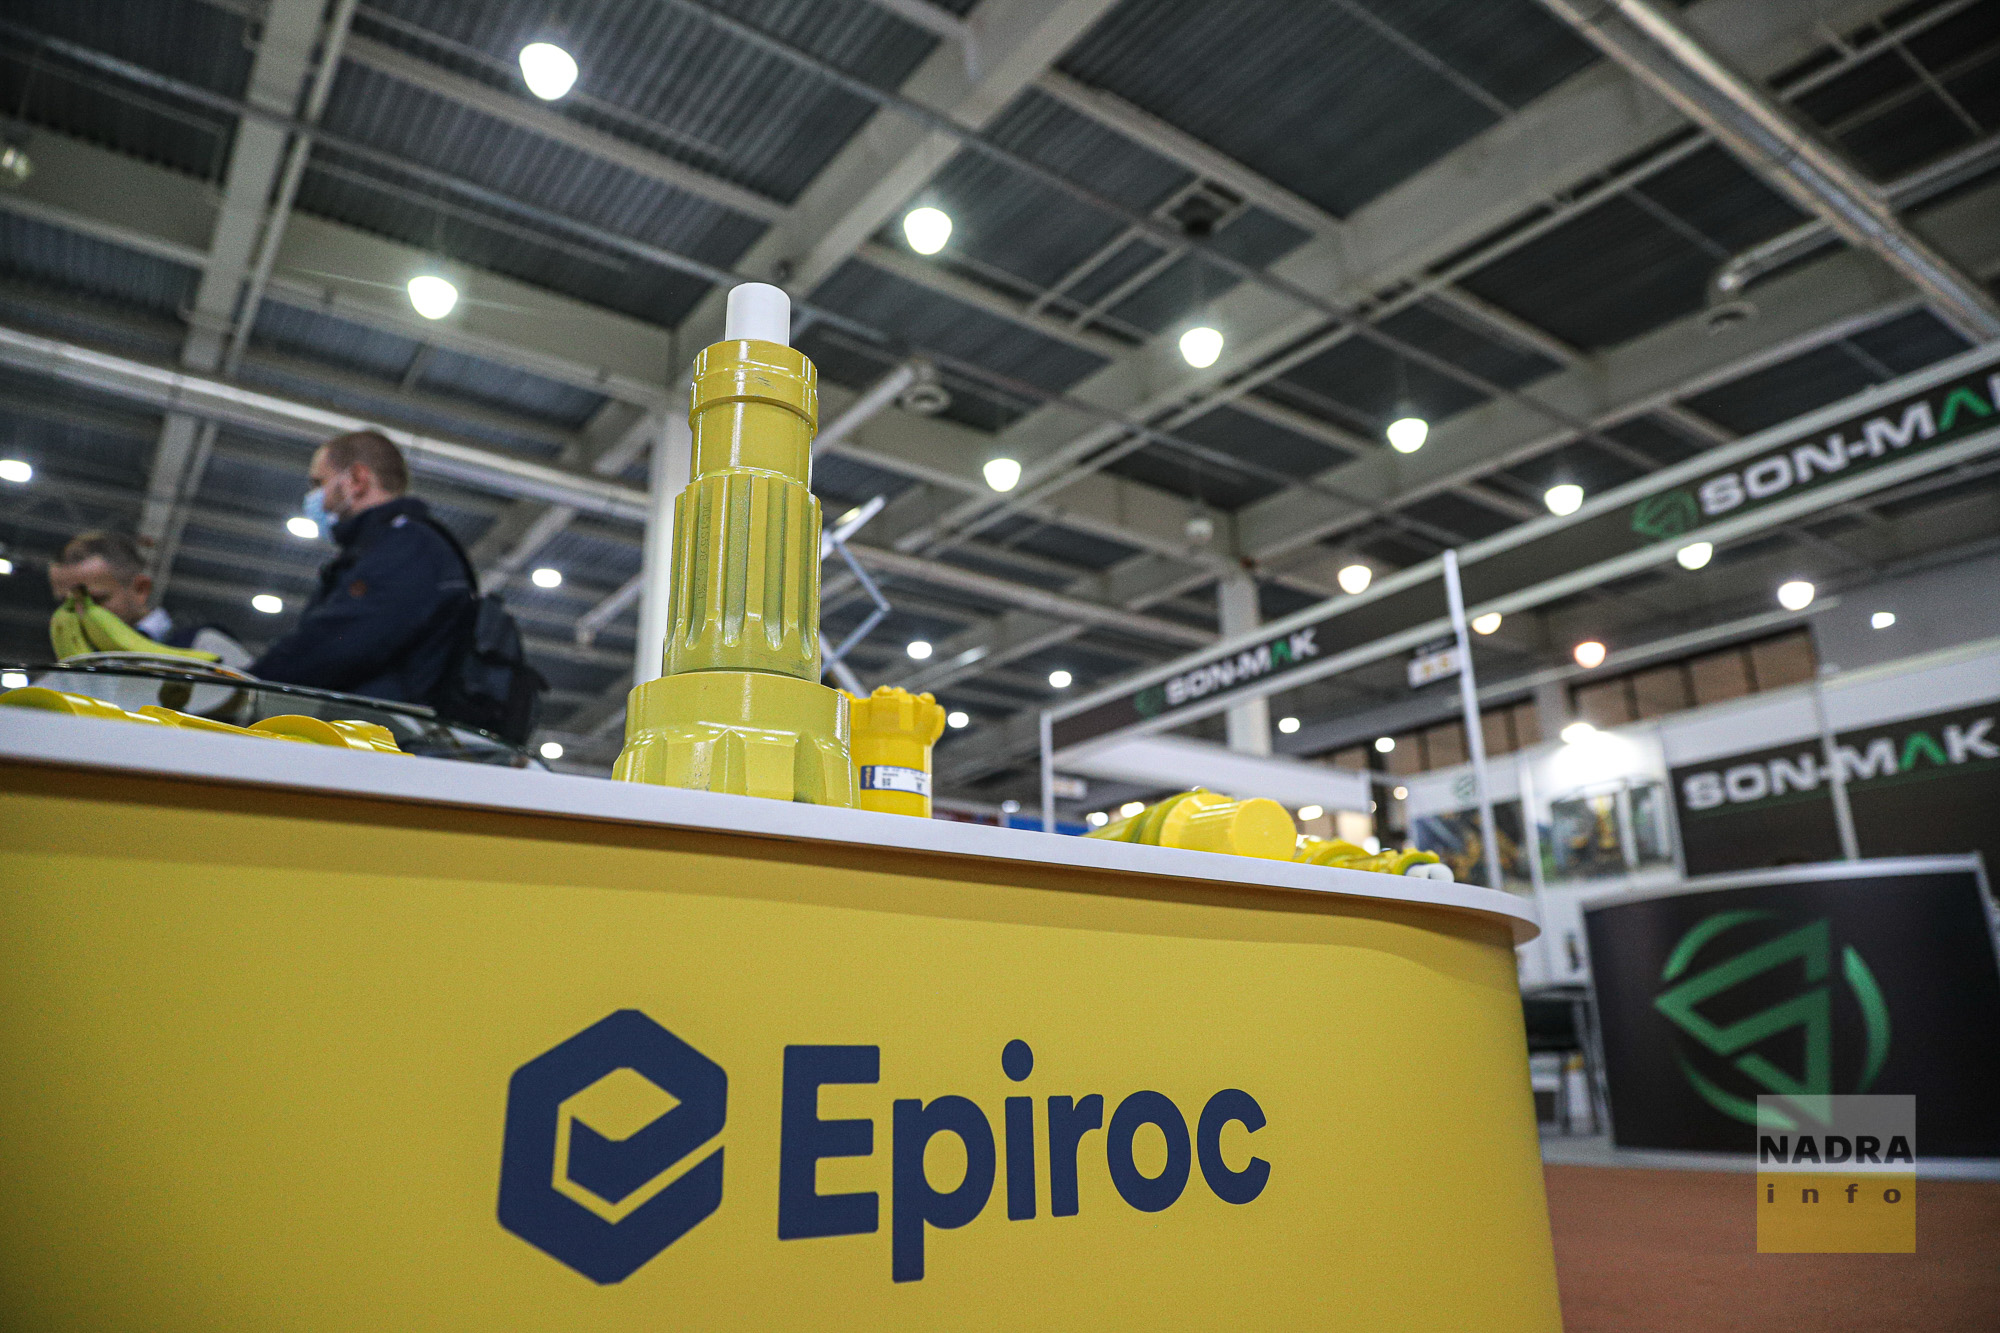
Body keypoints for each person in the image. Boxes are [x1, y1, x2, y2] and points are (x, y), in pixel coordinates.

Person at [252, 429, 471, 705]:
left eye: (319, 482)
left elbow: (340, 643)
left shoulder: (407, 547)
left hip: (383, 726)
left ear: (357, 479)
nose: (314, 496)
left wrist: (251, 680)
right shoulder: (380, 548)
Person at [48, 531, 251, 666]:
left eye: (95, 600)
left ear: (140, 589)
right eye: (66, 604)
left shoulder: (207, 645)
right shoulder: (73, 657)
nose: (79, 613)